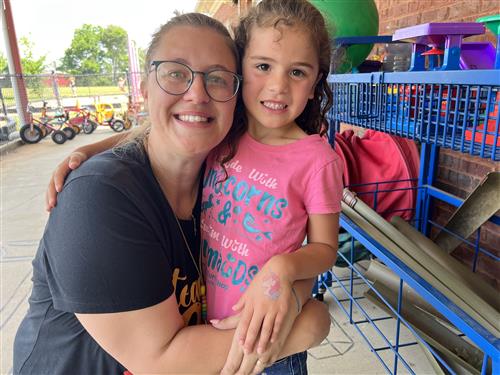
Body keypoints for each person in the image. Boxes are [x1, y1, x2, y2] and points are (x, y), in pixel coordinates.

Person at [15, 12, 331, 375]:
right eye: (175, 73)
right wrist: (308, 326)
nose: (197, 94)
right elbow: (161, 360)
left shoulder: (219, 168)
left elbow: (297, 249)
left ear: (234, 94)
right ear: (145, 88)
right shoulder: (98, 198)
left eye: (216, 79)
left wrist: (291, 292)